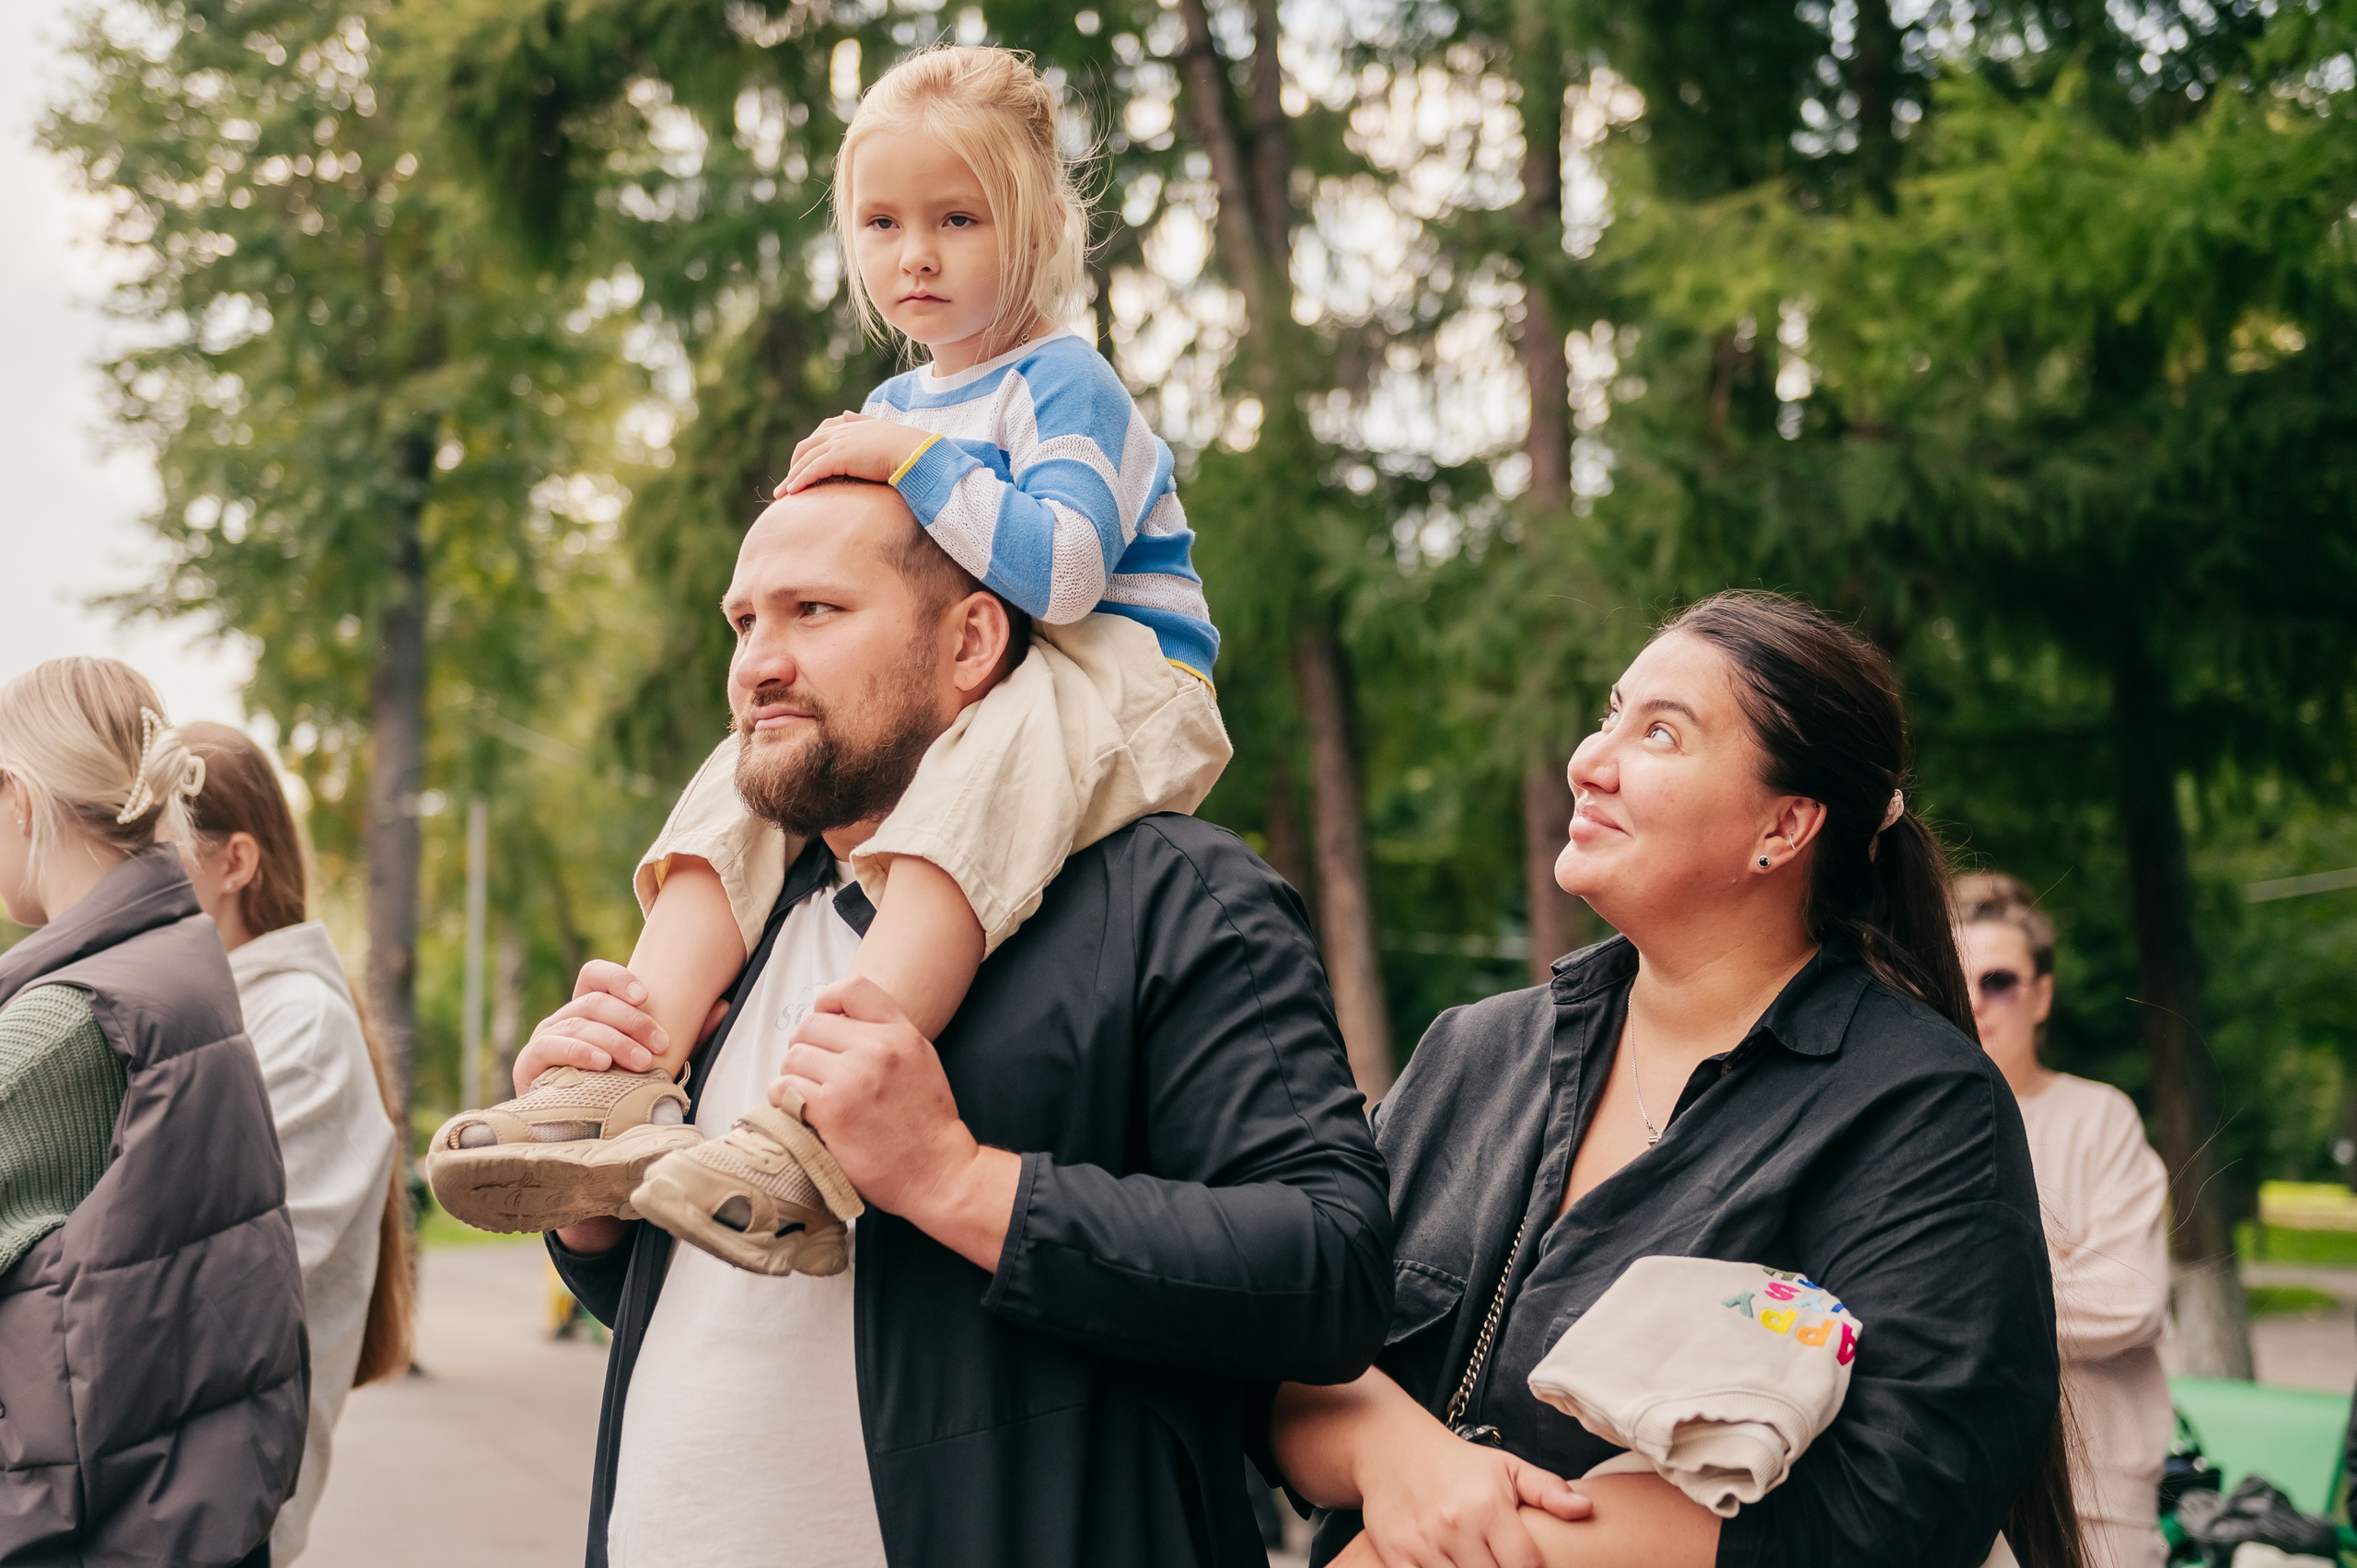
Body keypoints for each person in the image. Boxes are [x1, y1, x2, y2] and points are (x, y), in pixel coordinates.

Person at [426, 42, 1230, 1271]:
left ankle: (815, 1125)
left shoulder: (1067, 387)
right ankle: (627, 1071)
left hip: (1119, 667)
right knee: (759, 758)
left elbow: (1065, 574)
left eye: (958, 218)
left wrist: (911, 463)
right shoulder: (901, 399)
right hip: (988, 671)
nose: (916, 253)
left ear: (1036, 225)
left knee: (986, 779)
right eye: (883, 221)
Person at [519, 477, 1390, 1568]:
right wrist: (599, 1211)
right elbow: (731, 1310)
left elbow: (1330, 1271)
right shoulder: (732, 939)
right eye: (744, 622)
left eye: (814, 612)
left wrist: (956, 1179)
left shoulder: (1173, 892)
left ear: (971, 639)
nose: (758, 661)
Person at [1269, 590, 2082, 1568]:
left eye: (1660, 731)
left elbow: (1893, 1507)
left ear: (1782, 826)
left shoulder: (1917, 1107)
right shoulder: (1471, 1055)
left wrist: (1442, 1552)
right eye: (1610, 711)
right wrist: (1388, 1452)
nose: (1589, 757)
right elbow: (1282, 1341)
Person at [0, 658, 307, 1567]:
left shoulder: (67, 1018)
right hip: (179, 1517)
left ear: (15, 796)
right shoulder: (181, 970)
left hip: (82, 1529)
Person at [176, 720, 413, 1565]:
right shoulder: (224, 1014)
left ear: (234, 863)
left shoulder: (296, 1028)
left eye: (156, 850)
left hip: (209, 1517)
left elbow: (222, 1292)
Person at [1956, 873, 2170, 1568]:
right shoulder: (1912, 1130)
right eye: (1955, 977)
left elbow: (2129, 1300)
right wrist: (2051, 1272)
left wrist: (1952, 1295)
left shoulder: (2101, 1117)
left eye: (1998, 980)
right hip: (1952, 1485)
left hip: (2096, 1498)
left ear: (2041, 993)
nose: (1975, 1001)